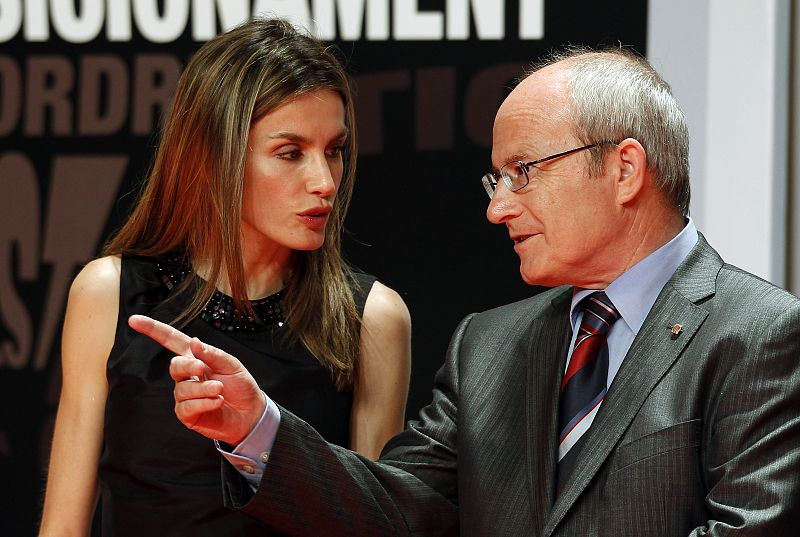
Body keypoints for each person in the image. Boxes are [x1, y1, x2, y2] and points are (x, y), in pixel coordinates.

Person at [132, 47, 800, 536]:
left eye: (523, 172)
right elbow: (399, 508)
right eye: (496, 179)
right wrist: (258, 428)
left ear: (625, 168)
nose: (498, 208)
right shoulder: (489, 345)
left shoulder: (762, 334)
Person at [37, 17, 412, 537]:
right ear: (214, 155)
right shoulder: (109, 292)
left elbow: (374, 525)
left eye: (334, 150)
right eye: (290, 153)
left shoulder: (371, 317)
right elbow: (63, 525)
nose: (324, 181)